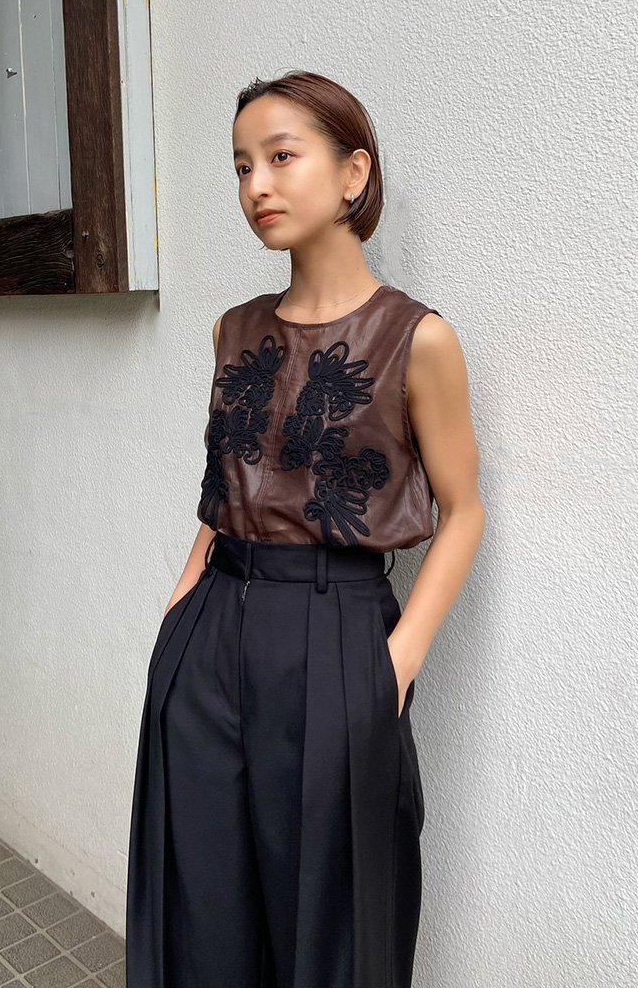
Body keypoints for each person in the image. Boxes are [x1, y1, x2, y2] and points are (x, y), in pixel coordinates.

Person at [125, 70, 485, 988]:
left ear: (353, 173)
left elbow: (464, 510)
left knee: (332, 916)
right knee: (204, 900)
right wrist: (180, 613)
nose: (258, 185)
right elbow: (223, 486)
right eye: (242, 166)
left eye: (281, 157)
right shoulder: (232, 331)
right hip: (213, 631)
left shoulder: (416, 338)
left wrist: (395, 663)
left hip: (335, 633)